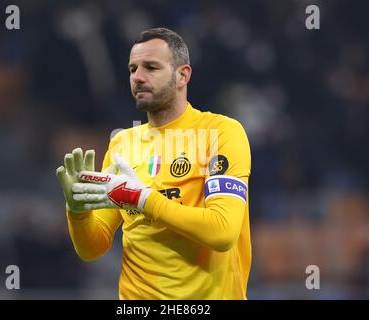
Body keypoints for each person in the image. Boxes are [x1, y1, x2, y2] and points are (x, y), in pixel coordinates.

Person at [56, 28, 252, 299]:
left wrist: (143, 199)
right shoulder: (123, 143)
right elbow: (92, 249)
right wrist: (78, 213)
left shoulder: (219, 133)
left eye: (150, 67)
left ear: (182, 75)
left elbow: (223, 231)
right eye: (132, 69)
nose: (137, 77)